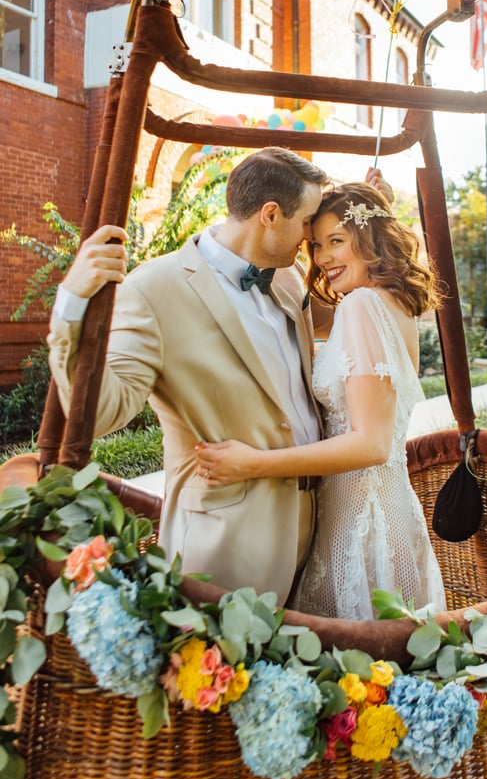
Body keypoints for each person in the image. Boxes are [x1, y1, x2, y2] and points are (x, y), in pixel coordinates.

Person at [48, 146, 331, 604]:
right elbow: (99, 413)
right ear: (271, 215)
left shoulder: (287, 277)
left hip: (316, 532)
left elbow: (349, 315)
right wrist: (71, 304)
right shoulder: (152, 290)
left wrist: (366, 225)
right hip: (225, 543)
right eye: (307, 222)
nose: (310, 234)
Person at [197, 182, 447, 621]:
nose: (323, 258)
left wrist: (251, 463)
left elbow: (370, 444)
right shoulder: (392, 305)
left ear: (370, 239)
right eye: (316, 246)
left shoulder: (363, 306)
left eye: (336, 242)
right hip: (381, 512)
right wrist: (371, 199)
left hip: (362, 523)